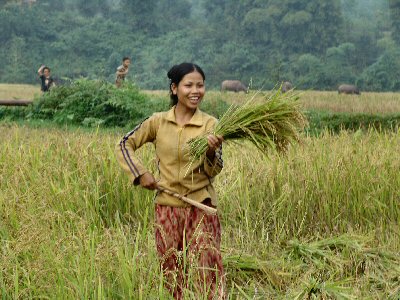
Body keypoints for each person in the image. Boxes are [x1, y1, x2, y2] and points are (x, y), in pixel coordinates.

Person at [115, 62, 225, 299]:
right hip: (167, 207)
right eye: (189, 85)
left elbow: (215, 169)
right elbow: (125, 144)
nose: (196, 91)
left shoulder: (211, 125)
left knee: (209, 272)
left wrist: (209, 151)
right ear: (174, 88)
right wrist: (140, 173)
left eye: (200, 85)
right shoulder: (158, 121)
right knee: (172, 274)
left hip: (201, 207)